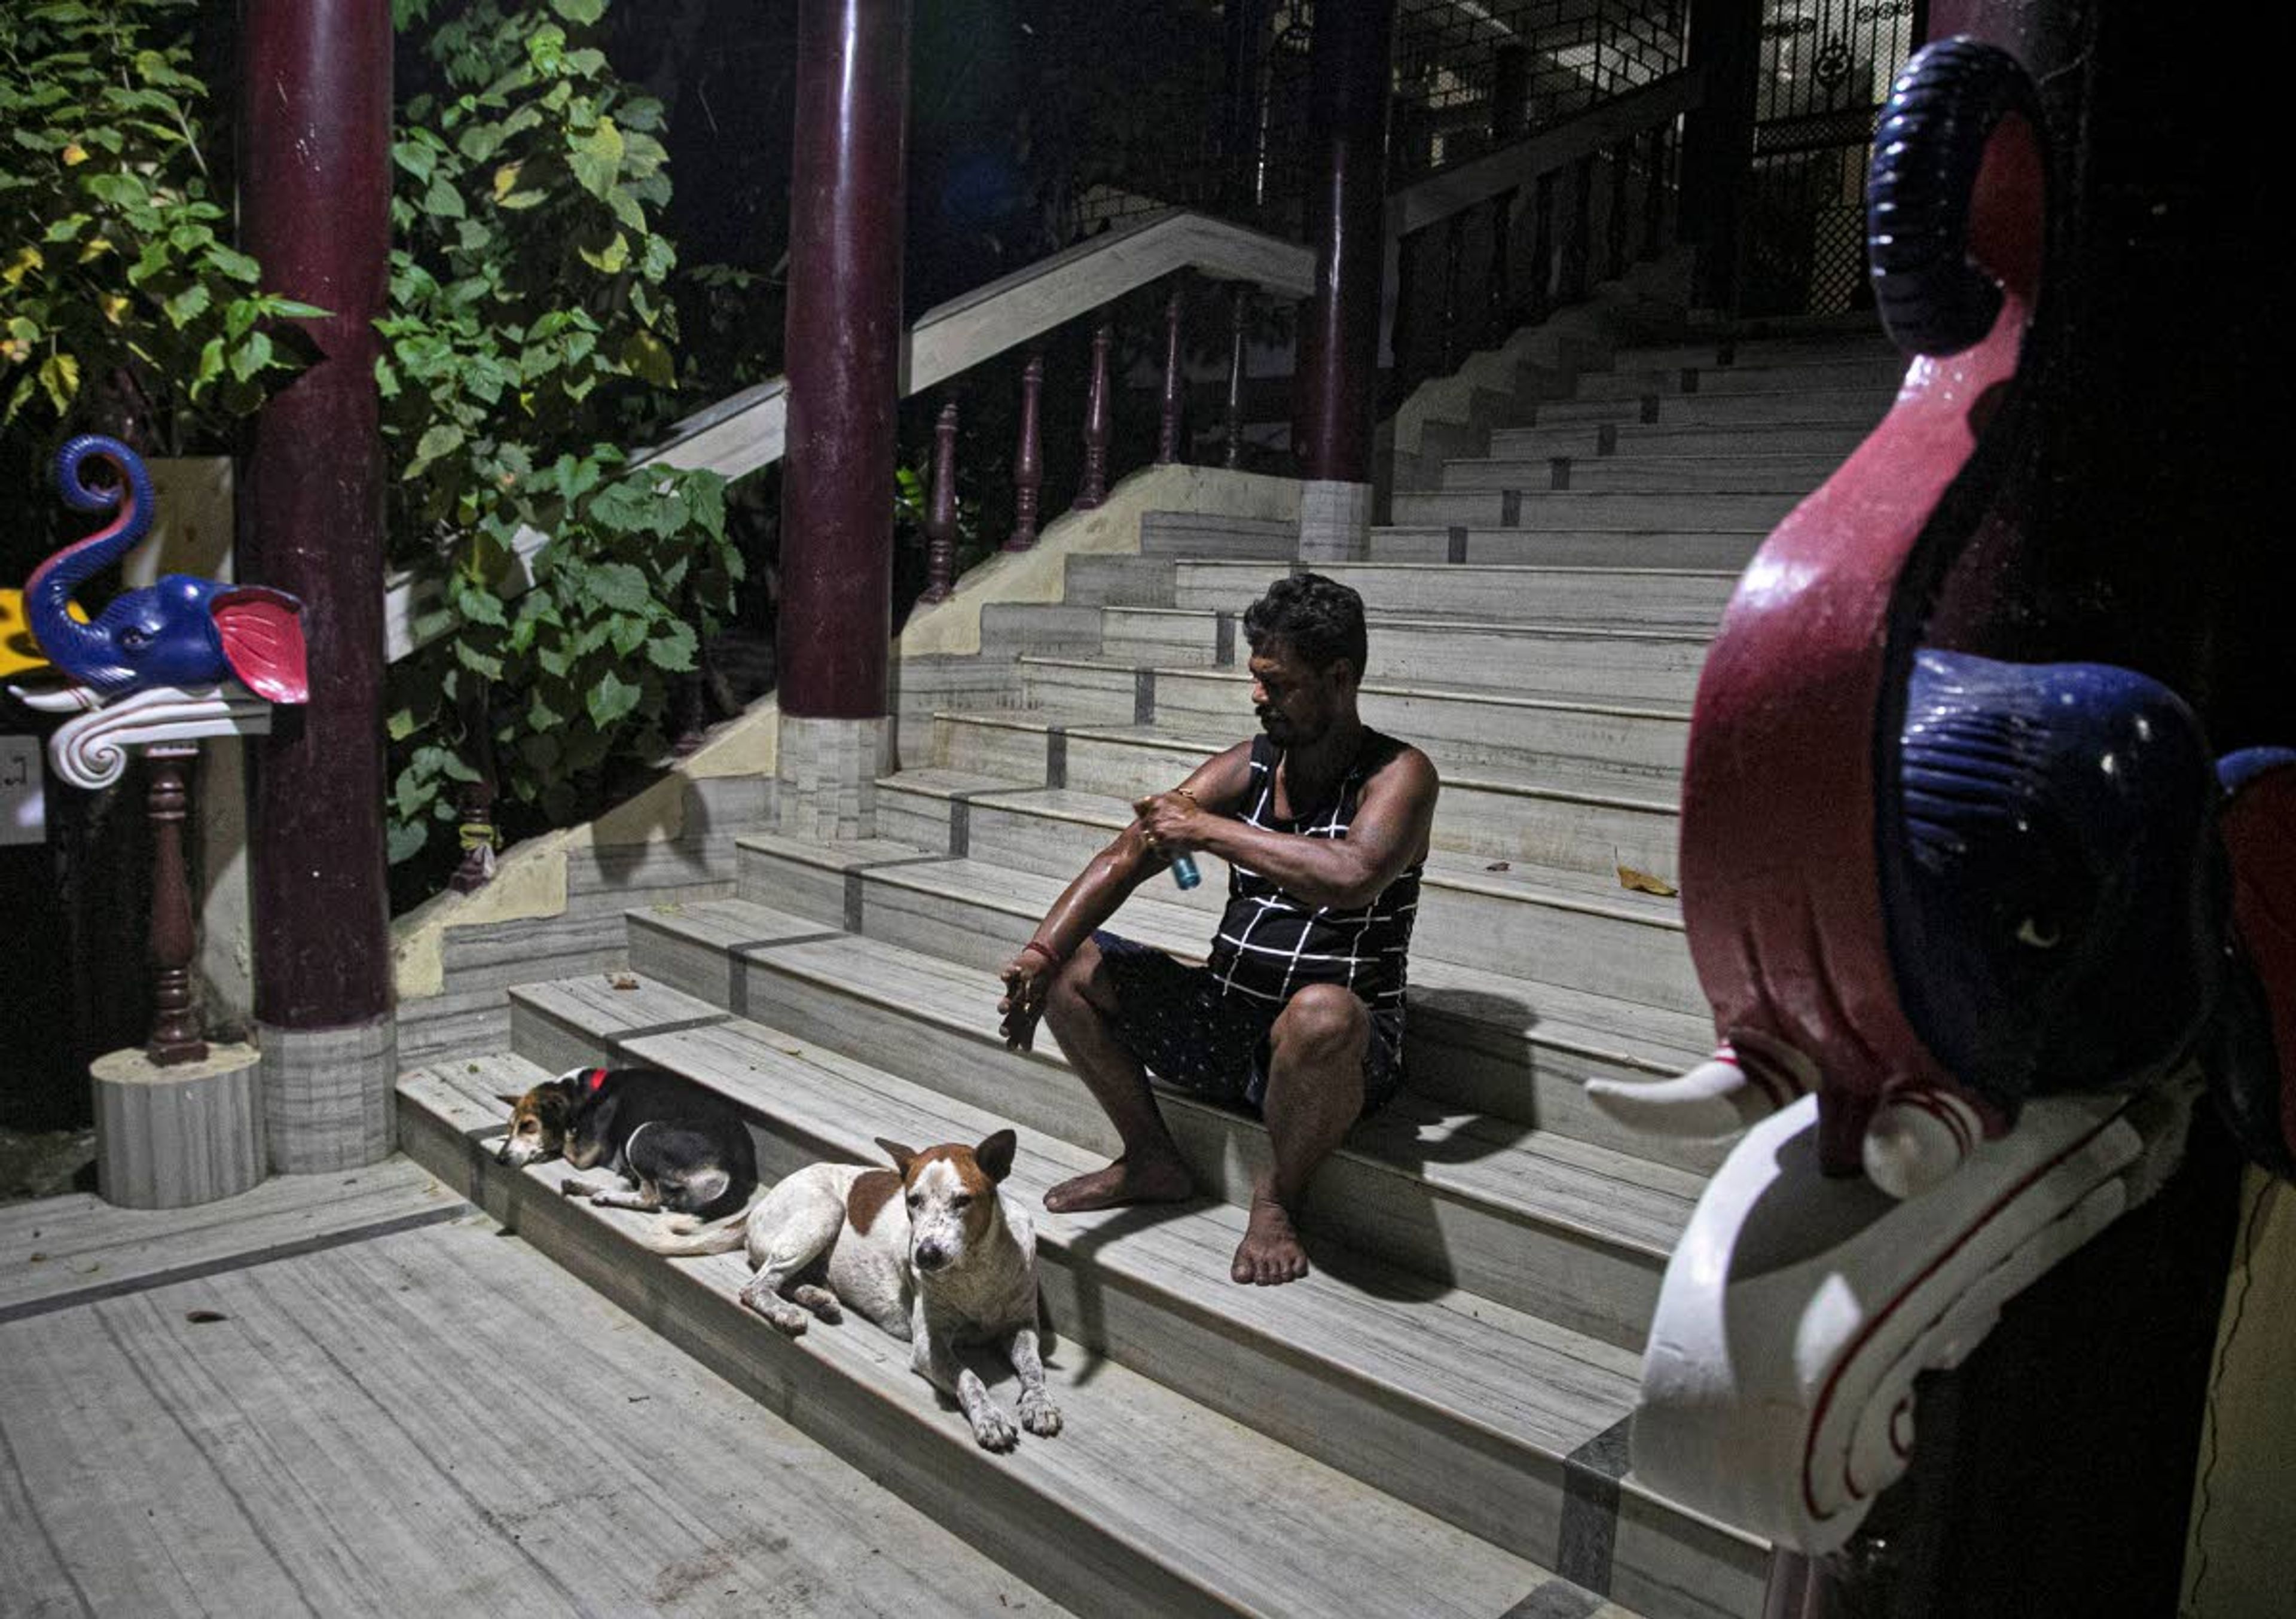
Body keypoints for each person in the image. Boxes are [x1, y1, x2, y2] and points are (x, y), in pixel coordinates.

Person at [996, 572, 1439, 1286]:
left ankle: (1278, 1196)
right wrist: (1040, 954)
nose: (1258, 695)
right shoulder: (1252, 763)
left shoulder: (1399, 774)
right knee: (1074, 965)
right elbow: (1128, 852)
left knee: (1322, 1015)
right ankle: (1151, 1157)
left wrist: (1208, 829)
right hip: (1227, 1016)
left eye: (1278, 682)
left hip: (1337, 1053)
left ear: (1339, 677)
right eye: (1256, 678)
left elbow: (1353, 874)